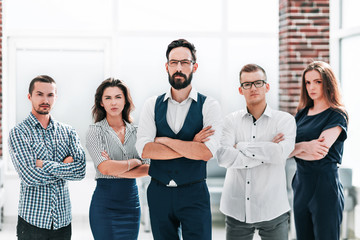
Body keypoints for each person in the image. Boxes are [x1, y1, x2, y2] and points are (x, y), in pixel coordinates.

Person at [135, 39, 222, 240]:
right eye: (173, 63)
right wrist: (191, 144)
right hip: (158, 193)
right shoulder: (151, 104)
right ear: (167, 66)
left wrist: (163, 140)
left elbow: (207, 152)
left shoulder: (209, 105)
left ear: (194, 66)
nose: (179, 68)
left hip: (195, 193)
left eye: (185, 62)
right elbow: (145, 150)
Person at [216, 64, 296, 240]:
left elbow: (279, 154)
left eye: (258, 83)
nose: (253, 88)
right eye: (247, 84)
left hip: (273, 209)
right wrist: (267, 149)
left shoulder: (285, 120)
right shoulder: (230, 121)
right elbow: (223, 157)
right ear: (240, 89)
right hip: (236, 210)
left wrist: (242, 146)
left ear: (267, 86)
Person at [8, 75, 86, 240]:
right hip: (32, 223)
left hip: (63, 223)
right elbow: (29, 176)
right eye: (39, 94)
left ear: (55, 97)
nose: (45, 99)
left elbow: (80, 171)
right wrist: (63, 166)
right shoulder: (19, 133)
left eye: (50, 95)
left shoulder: (68, 132)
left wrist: (43, 164)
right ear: (29, 97)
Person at [289, 61, 348, 240]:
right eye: (307, 82)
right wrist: (305, 146)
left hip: (324, 187)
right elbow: (282, 149)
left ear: (328, 83)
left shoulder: (337, 115)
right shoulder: (301, 114)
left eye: (317, 82)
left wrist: (294, 149)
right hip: (301, 185)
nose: (311, 87)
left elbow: (319, 152)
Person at [86, 78, 149, 240]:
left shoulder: (138, 131)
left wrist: (115, 168)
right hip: (104, 205)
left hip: (131, 205)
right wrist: (135, 162)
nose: (113, 102)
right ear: (101, 102)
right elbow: (105, 169)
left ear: (125, 100)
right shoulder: (95, 131)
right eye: (108, 98)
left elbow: (148, 168)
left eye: (118, 97)